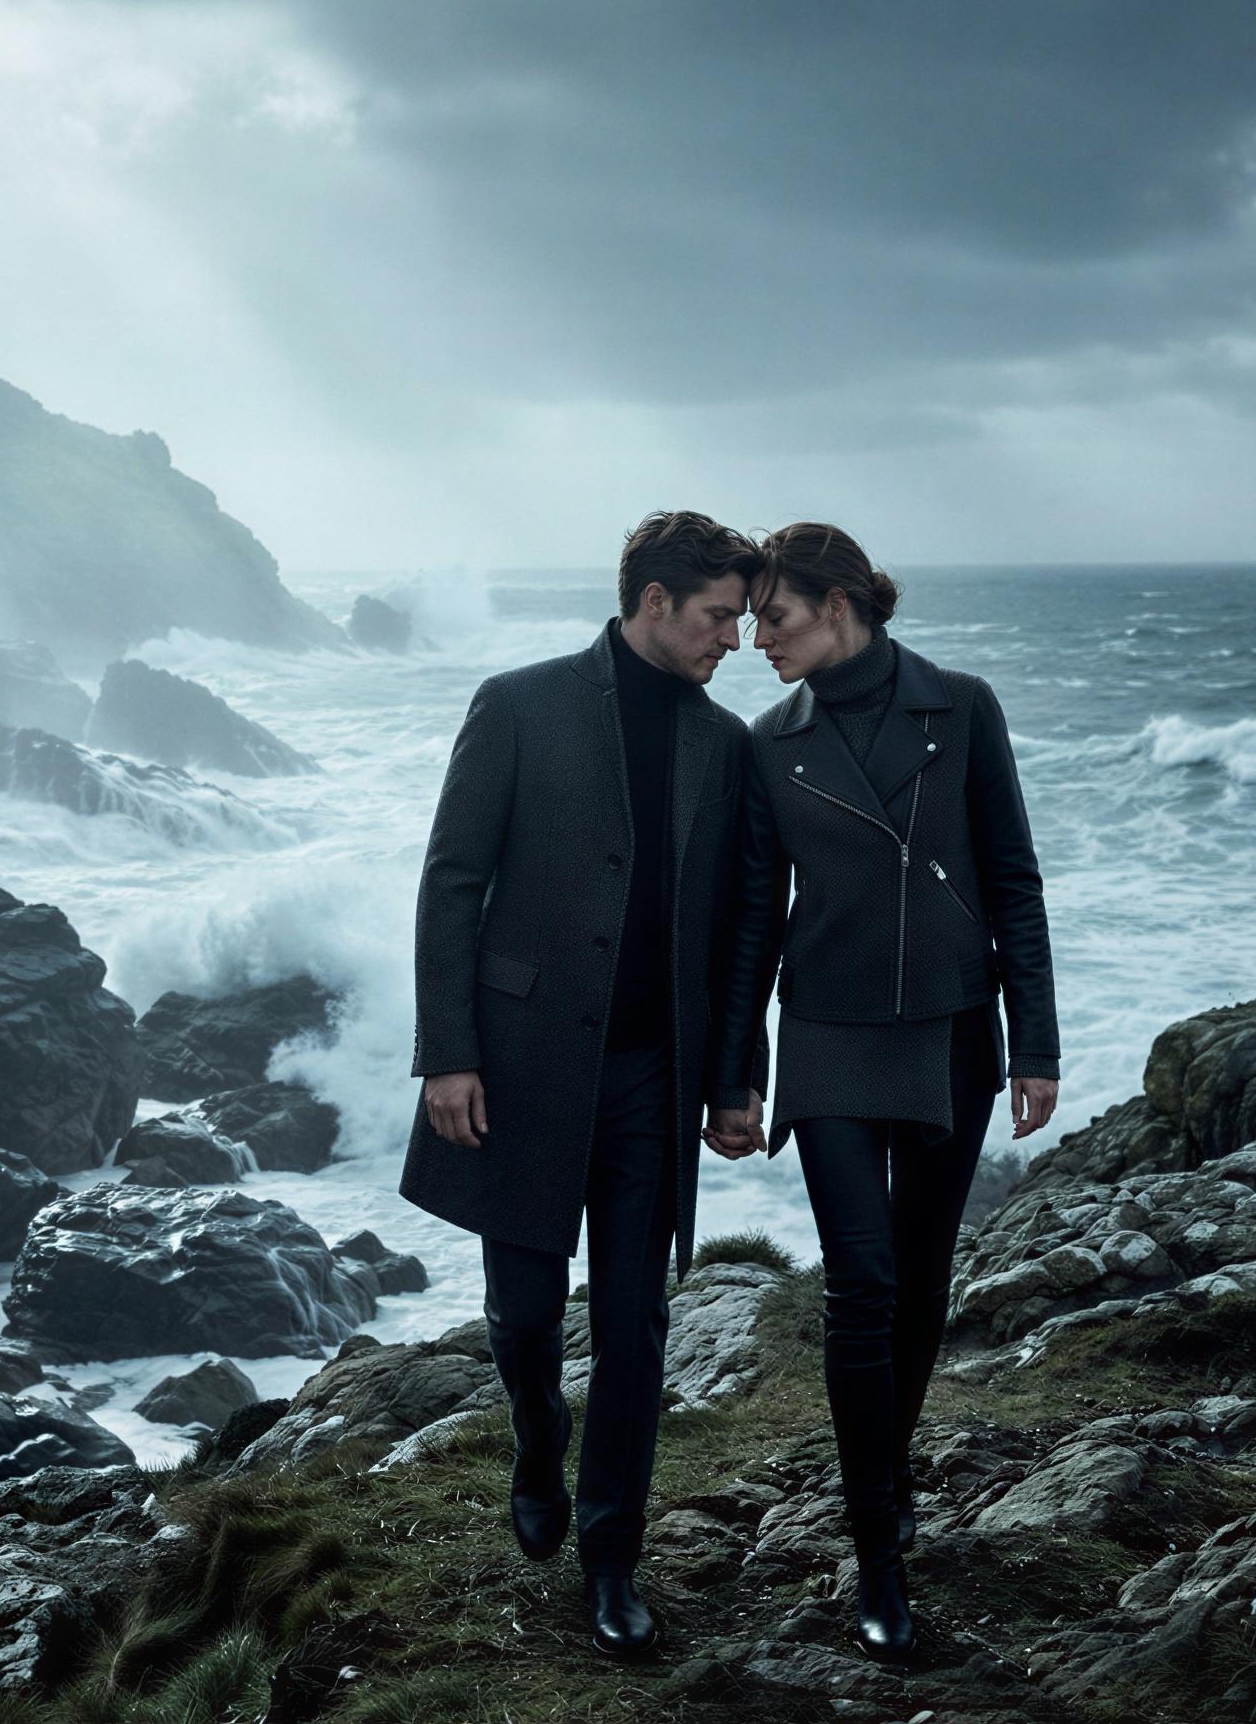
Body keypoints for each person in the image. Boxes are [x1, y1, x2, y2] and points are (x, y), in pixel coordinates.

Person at [399, 510, 766, 1660]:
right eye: (718, 616)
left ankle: (611, 1557)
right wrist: (445, 1052)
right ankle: (532, 1424)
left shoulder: (727, 744)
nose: (734, 641)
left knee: (635, 1325)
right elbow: (451, 880)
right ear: (652, 601)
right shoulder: (516, 702)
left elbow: (744, 924)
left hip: (652, 1082)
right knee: (519, 1318)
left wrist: (730, 1077)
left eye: (745, 619)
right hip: (517, 1067)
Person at [707, 522, 1060, 1665]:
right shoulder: (769, 741)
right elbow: (755, 918)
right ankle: (877, 1553)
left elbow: (1011, 874)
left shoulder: (959, 706)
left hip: (952, 1030)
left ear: (843, 601)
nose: (756, 637)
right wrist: (737, 1074)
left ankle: (888, 1478)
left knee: (919, 1280)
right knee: (861, 1285)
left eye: (776, 616)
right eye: (751, 618)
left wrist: (1032, 1042)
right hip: (829, 1036)